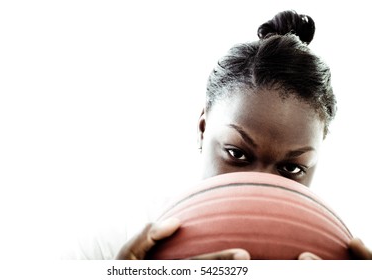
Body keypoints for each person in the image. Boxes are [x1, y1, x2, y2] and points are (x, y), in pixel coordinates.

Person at [71, 10, 372, 260]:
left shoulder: (340, 263)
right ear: (203, 130)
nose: (257, 187)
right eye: (237, 154)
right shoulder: (106, 252)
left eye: (291, 168)